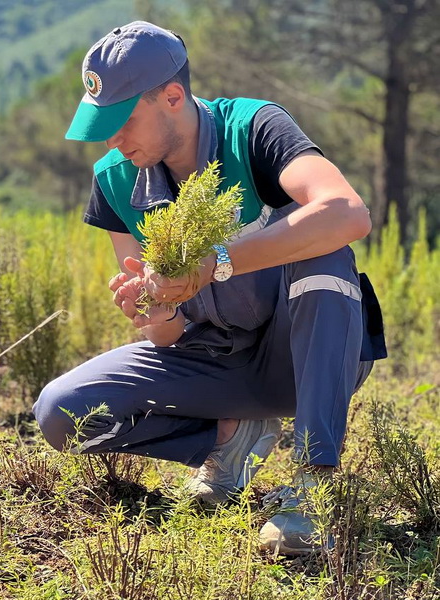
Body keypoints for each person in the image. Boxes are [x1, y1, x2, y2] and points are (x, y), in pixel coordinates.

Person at [31, 21, 387, 556]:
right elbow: (170, 337)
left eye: (122, 121)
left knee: (326, 254)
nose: (113, 140)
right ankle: (230, 440)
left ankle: (314, 490)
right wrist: (157, 309)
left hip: (310, 359)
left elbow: (348, 213)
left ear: (172, 97)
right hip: (215, 364)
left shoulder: (254, 128)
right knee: (62, 413)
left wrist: (215, 262)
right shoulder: (115, 180)